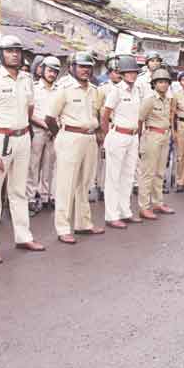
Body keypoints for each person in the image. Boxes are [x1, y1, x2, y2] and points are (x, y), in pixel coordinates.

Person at [0, 35, 44, 264]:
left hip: (23, 136)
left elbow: (29, 108)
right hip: (0, 139)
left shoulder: (26, 79)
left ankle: (23, 236)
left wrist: (26, 132)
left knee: (18, 191)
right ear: (1, 54)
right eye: (9, 51)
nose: (14, 54)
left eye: (17, 50)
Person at [45, 51, 104, 244]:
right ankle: (63, 227)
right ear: (72, 68)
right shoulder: (64, 88)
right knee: (66, 184)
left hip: (89, 138)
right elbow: (50, 118)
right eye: (81, 66)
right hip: (70, 136)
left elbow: (97, 113)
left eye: (88, 67)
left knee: (85, 183)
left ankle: (83, 223)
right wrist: (60, 135)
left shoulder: (94, 90)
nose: (86, 70)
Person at [101, 55, 142, 229]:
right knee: (113, 177)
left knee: (128, 175)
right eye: (128, 72)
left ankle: (125, 211)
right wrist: (106, 137)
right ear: (122, 73)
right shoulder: (116, 91)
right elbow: (105, 115)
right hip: (117, 135)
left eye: (134, 72)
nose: (132, 75)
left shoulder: (137, 90)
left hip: (133, 136)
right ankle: (112, 215)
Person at [137, 67, 175, 219]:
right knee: (148, 173)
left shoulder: (167, 99)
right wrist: (140, 140)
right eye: (160, 82)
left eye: (166, 82)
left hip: (165, 136)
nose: (163, 85)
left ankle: (158, 202)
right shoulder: (149, 100)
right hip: (152, 136)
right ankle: (144, 206)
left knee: (160, 173)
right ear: (154, 84)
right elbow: (140, 120)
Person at [27, 56, 60, 213]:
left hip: (53, 133)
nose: (52, 74)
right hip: (37, 131)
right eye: (49, 70)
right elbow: (29, 113)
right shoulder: (33, 88)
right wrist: (45, 125)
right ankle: (31, 198)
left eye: (55, 71)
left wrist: (55, 128)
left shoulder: (59, 90)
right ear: (42, 70)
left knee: (49, 165)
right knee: (33, 166)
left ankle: (46, 196)